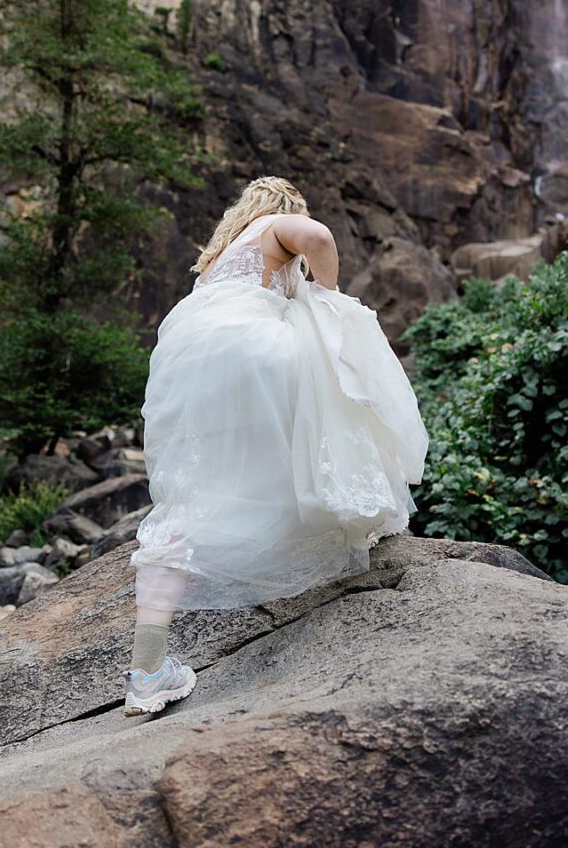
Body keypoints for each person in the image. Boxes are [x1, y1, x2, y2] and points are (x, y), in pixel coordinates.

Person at [124, 176, 427, 717]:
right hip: (255, 349)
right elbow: (321, 238)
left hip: (192, 364)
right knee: (333, 374)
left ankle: (146, 672)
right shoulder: (275, 223)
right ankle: (357, 513)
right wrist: (329, 298)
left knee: (189, 499)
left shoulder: (220, 259)